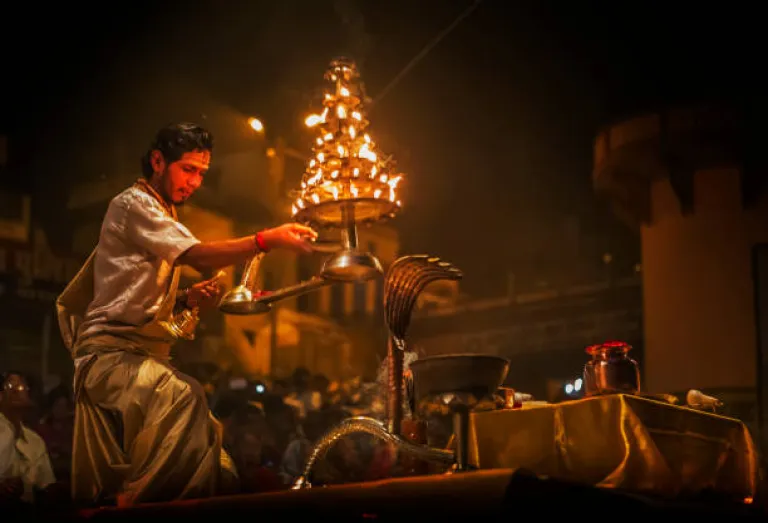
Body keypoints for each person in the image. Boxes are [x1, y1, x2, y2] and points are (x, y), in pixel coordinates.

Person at [55, 122, 318, 507]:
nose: (195, 182)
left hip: (137, 355)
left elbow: (139, 299)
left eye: (202, 173)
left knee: (206, 429)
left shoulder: (166, 213)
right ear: (159, 161)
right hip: (108, 358)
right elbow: (196, 255)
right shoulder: (133, 204)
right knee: (184, 397)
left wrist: (188, 299)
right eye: (188, 169)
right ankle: (146, 508)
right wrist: (264, 241)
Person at [0, 373, 56, 507]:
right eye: (9, 385)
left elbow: (46, 484)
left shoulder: (35, 442)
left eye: (21, 386)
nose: (15, 390)